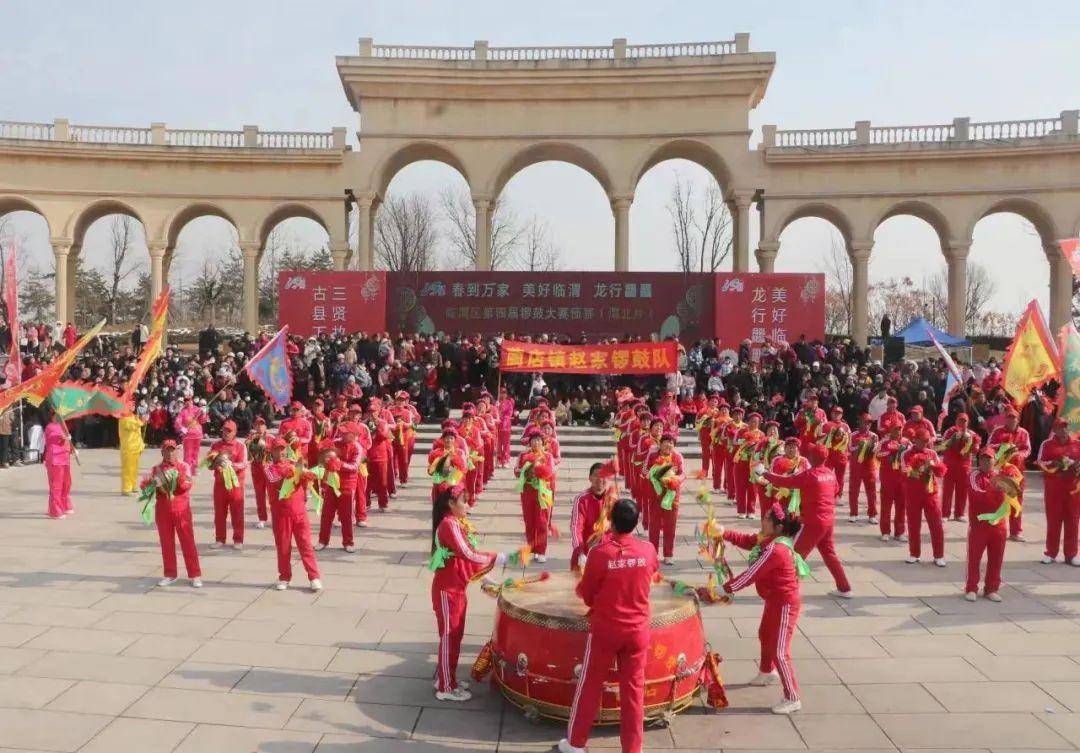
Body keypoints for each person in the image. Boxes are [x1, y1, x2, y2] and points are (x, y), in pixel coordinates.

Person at [558, 498, 658, 753]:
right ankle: (633, 748)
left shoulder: (600, 553)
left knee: (590, 684)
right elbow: (651, 575)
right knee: (634, 691)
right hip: (637, 630)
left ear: (611, 521)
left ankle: (576, 742)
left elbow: (588, 594)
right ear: (636, 523)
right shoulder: (648, 550)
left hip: (606, 630)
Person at [720, 502, 807, 714]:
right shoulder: (768, 540)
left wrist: (725, 589)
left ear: (778, 527)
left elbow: (751, 575)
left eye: (767, 518)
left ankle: (792, 696)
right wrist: (724, 533)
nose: (763, 520)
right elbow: (748, 541)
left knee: (780, 651)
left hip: (785, 602)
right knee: (765, 634)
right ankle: (767, 671)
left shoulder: (776, 550)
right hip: (773, 599)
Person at [430, 483, 505, 702]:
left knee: (455, 636)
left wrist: (488, 579)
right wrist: (496, 557)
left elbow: (467, 562)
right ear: (451, 504)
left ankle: (445, 676)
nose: (468, 504)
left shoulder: (457, 523)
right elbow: (467, 554)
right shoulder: (448, 525)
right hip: (447, 591)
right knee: (449, 637)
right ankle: (445, 686)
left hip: (457, 588)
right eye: (464, 501)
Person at [758, 443, 852, 598]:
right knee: (829, 554)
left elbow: (785, 482)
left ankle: (783, 589)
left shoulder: (810, 475)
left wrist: (765, 473)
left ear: (813, 457)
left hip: (813, 522)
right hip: (828, 520)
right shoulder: (830, 473)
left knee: (794, 556)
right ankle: (844, 588)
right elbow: (835, 490)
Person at [262, 436, 322, 592]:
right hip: (281, 514)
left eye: (282, 448)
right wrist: (293, 473)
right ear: (271, 451)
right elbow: (278, 483)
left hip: (299, 512)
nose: (280, 452)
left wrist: (307, 475)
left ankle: (314, 577)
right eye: (277, 449)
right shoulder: (268, 468)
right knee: (283, 547)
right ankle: (284, 577)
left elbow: (307, 479)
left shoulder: (294, 463)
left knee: (306, 545)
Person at [141, 440, 201, 588]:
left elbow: (187, 485)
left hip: (181, 510)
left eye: (173, 450)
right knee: (166, 543)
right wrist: (151, 485)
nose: (170, 453)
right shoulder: (155, 469)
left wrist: (175, 477)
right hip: (163, 511)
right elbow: (147, 491)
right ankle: (170, 574)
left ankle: (194, 574)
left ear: (177, 451)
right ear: (162, 452)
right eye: (167, 450)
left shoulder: (184, 466)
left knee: (187, 542)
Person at [965, 449, 1013, 601]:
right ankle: (971, 588)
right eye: (983, 459)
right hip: (980, 524)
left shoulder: (1001, 476)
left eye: (989, 459)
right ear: (979, 461)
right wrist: (997, 492)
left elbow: (1013, 493)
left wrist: (1010, 484)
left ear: (994, 461)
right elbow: (977, 495)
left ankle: (991, 588)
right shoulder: (973, 475)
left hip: (999, 525)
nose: (986, 462)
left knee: (996, 557)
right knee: (974, 557)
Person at [1036, 419, 1080, 565]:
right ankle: (1051, 553)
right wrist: (1055, 464)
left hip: (1073, 490)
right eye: (1061, 428)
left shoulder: (1077, 444)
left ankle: (1071, 555)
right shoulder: (1047, 444)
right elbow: (1040, 463)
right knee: (1054, 521)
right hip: (1054, 489)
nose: (1064, 430)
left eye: (1066, 427)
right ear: (1054, 430)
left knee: (1073, 521)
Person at [901, 429, 947, 566]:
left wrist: (933, 466)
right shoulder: (906, 453)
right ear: (915, 440)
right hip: (913, 494)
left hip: (930, 494)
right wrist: (918, 469)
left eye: (927, 441)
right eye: (922, 440)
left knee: (936, 525)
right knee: (913, 525)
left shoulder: (932, 453)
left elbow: (940, 472)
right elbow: (904, 471)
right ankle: (914, 554)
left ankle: (939, 555)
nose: (924, 443)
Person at [987, 408, 1031, 541]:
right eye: (1009, 418)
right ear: (1005, 419)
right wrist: (1003, 447)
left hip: (1017, 472)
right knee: (996, 500)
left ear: (1018, 420)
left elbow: (1027, 449)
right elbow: (989, 446)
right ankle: (993, 528)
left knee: (1016, 501)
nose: (1011, 420)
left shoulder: (1024, 433)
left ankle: (1015, 532)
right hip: (1001, 471)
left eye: (1014, 418)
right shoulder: (998, 431)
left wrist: (1017, 454)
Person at [514, 427, 556, 563]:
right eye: (533, 440)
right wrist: (526, 471)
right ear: (530, 442)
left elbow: (550, 473)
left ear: (542, 443)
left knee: (542, 522)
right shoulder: (522, 456)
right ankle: (532, 549)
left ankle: (541, 551)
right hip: (527, 492)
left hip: (542, 492)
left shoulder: (548, 456)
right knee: (529, 521)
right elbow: (516, 471)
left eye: (538, 441)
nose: (536, 443)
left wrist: (539, 471)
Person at [207, 419, 248, 550]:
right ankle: (220, 538)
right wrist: (215, 463)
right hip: (219, 485)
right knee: (219, 513)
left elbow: (244, 463)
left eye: (229, 431)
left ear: (235, 432)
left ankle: (238, 539)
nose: (226, 433)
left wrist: (230, 465)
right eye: (224, 430)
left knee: (237, 513)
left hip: (235, 485)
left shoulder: (241, 446)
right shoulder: (215, 445)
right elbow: (208, 464)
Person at [646, 433, 685, 564]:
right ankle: (652, 553)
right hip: (655, 495)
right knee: (654, 526)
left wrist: (676, 480)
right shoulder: (652, 456)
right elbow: (644, 471)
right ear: (660, 444)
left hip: (672, 496)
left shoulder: (678, 457)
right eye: (666, 442)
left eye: (671, 443)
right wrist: (653, 476)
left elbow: (683, 474)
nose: (668, 445)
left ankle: (668, 555)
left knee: (670, 526)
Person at [939, 413, 981, 521]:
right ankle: (945, 514)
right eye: (960, 420)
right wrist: (954, 439)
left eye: (964, 421)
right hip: (949, 465)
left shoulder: (971, 434)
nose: (962, 423)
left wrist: (971, 444)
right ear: (956, 421)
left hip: (964, 466)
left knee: (962, 490)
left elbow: (977, 448)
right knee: (947, 490)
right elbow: (943, 446)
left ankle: (959, 514)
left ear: (968, 423)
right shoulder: (950, 431)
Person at [570, 461, 611, 570]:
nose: (600, 479)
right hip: (585, 552)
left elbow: (621, 528)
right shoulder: (582, 499)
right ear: (590, 478)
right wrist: (580, 552)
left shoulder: (613, 499)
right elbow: (576, 527)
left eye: (603, 476)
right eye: (596, 475)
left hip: (608, 553)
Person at [847, 413, 878, 524]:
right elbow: (850, 448)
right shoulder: (853, 434)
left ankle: (872, 514)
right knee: (854, 491)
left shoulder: (874, 436)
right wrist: (859, 446)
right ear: (860, 422)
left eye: (869, 423)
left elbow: (875, 451)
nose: (867, 425)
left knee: (871, 492)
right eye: (865, 422)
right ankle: (853, 513)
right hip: (856, 467)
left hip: (869, 467)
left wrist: (872, 445)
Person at [43, 413, 74, 519]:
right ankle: (55, 509)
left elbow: (66, 441)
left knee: (67, 483)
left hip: (65, 458)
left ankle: (64, 503)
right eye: (56, 415)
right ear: (52, 416)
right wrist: (63, 438)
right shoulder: (50, 427)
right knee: (56, 485)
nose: (59, 417)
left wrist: (71, 447)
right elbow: (52, 439)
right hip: (55, 458)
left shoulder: (63, 425)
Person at [246, 418, 270, 529]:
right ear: (254, 426)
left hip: (270, 469)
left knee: (273, 495)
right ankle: (262, 518)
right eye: (257, 425)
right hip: (256, 468)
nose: (260, 427)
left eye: (262, 425)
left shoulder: (271, 438)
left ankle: (276, 516)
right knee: (259, 495)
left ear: (265, 426)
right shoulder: (250, 438)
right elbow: (248, 454)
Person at [118, 411, 145, 495]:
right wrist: (142, 421)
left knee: (134, 468)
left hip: (136, 446)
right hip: (128, 447)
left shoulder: (133, 416)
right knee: (127, 469)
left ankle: (133, 485)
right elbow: (132, 425)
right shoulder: (123, 417)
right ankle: (126, 488)